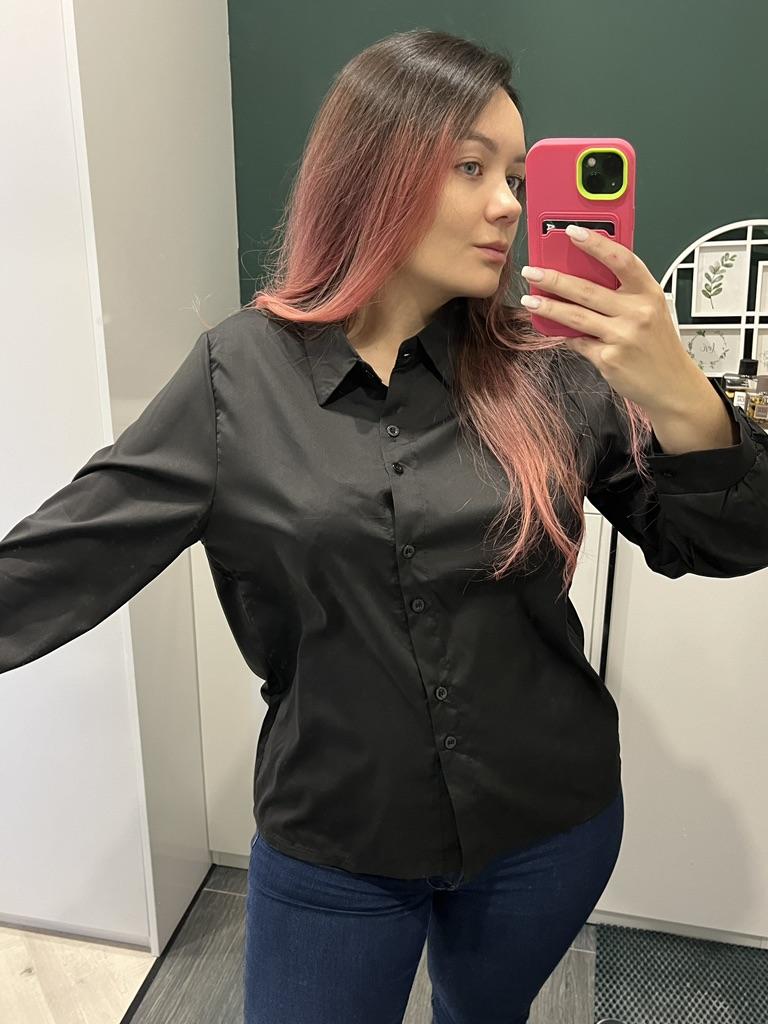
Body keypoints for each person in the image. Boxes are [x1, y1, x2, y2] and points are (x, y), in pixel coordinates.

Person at [3, 28, 768, 1024]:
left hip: (546, 826)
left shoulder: (551, 367)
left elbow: (713, 543)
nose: (509, 204)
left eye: (516, 175)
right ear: (374, 170)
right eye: (471, 167)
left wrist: (681, 395)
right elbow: (57, 561)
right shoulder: (238, 379)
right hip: (338, 841)